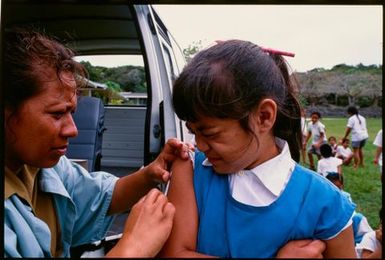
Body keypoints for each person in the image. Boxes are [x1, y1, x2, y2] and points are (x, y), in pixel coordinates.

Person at [3, 29, 195, 258]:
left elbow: (101, 197)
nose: (73, 129)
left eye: (71, 112)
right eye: (56, 114)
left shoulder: (42, 168)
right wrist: (132, 248)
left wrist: (150, 174)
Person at [157, 40, 356, 258]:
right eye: (193, 131)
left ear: (264, 117)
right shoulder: (190, 168)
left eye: (210, 133)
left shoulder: (326, 203)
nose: (200, 145)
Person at [326, 173, 373, 245]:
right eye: (332, 188)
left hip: (347, 226)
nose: (335, 191)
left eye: (338, 187)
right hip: (330, 231)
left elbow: (350, 211)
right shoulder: (323, 199)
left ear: (342, 186)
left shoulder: (345, 196)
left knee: (359, 218)